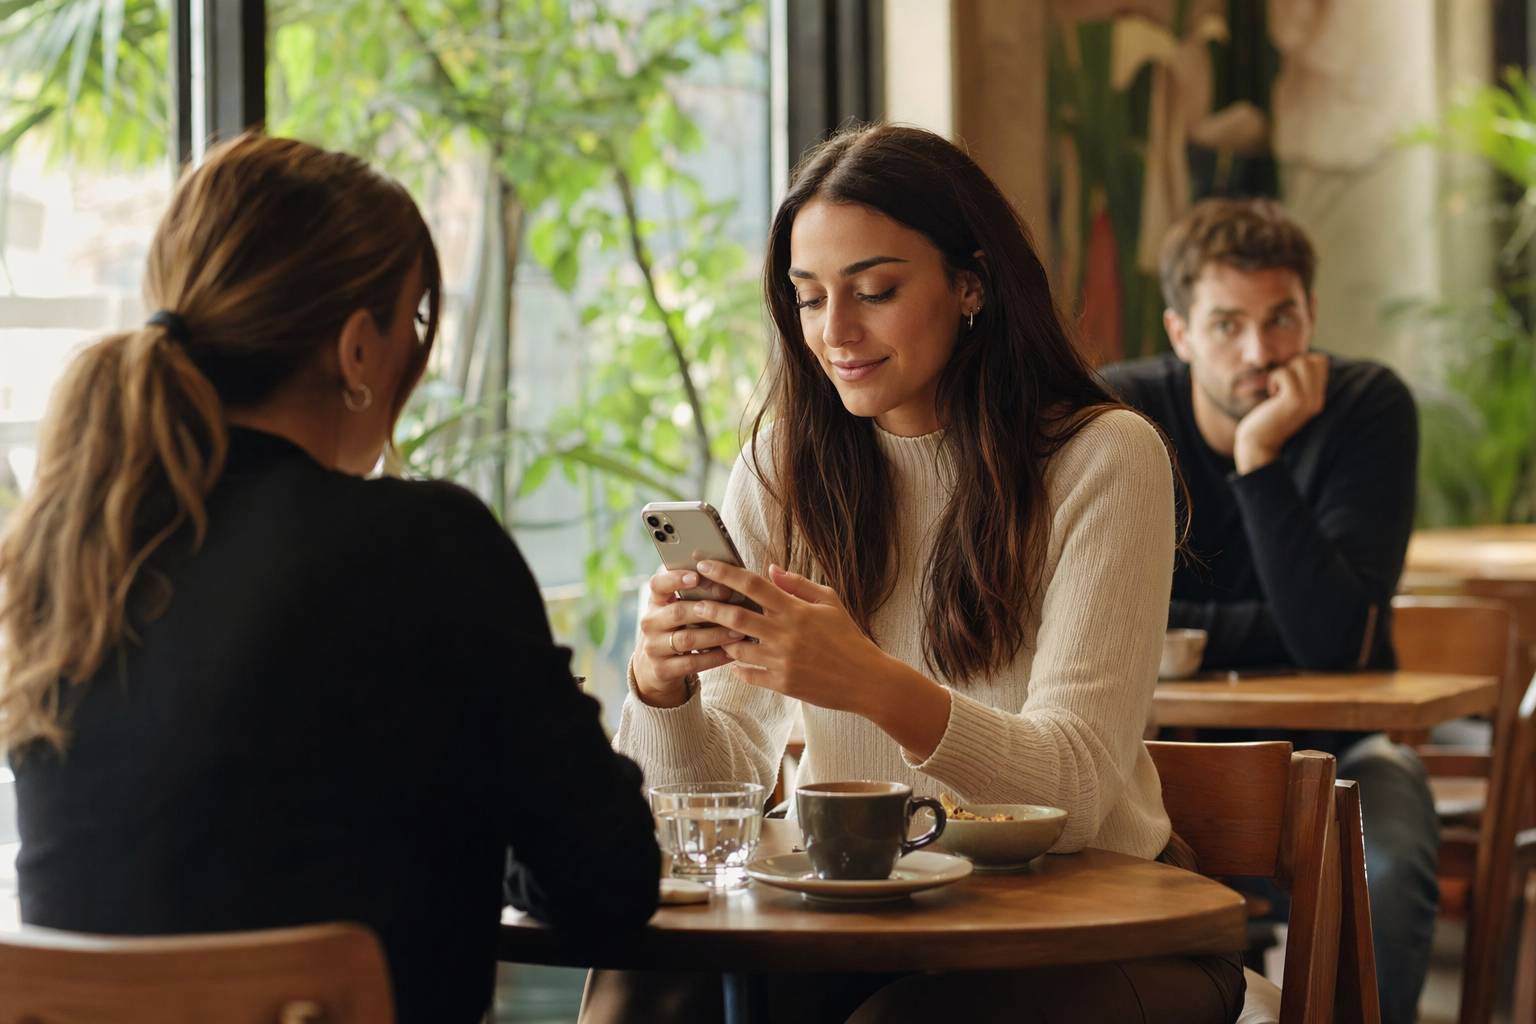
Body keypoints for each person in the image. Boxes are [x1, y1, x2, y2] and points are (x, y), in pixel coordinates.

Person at [581, 124, 1244, 1024]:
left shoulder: (1101, 456)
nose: (835, 332)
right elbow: (715, 795)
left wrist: (868, 682)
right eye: (809, 299)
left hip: (1101, 927)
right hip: (876, 914)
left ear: (971, 284)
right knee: (646, 990)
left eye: (877, 291)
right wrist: (662, 691)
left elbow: (1079, 797)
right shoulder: (784, 471)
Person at [0, 134, 659, 1024]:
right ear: (357, 350)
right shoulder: (424, 544)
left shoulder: (72, 559)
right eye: (414, 322)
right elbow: (609, 889)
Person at [1100, 197, 1436, 1024]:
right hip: (1149, 763)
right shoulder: (1117, 414)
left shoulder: (1366, 408)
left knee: (1387, 872)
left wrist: (1259, 457)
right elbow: (1093, 619)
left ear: (1312, 314)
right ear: (1180, 334)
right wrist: (1274, 627)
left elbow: (1334, 643)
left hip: (1337, 754)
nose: (1260, 352)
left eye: (1282, 319)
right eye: (1226, 325)